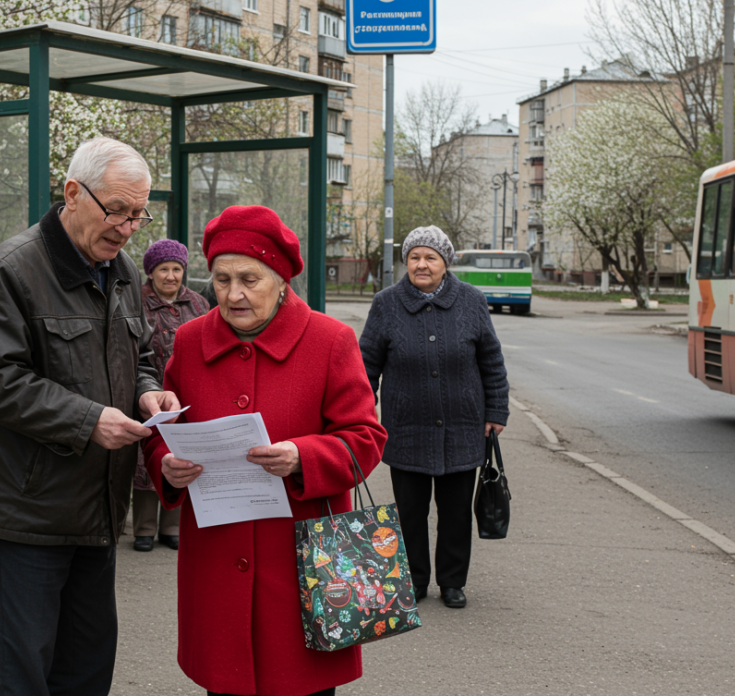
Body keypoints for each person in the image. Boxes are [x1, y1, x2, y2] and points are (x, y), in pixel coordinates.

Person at [0, 136, 179, 696]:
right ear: (73, 193)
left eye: (138, 214)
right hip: (30, 510)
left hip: (99, 506)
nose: (127, 228)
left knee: (87, 666)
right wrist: (89, 420)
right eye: (118, 211)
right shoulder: (11, 269)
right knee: (28, 671)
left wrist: (148, 392)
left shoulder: (122, 268)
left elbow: (141, 355)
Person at [144, 205, 388, 696]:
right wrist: (165, 464)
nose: (233, 294)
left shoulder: (330, 340)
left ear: (280, 281)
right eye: (221, 279)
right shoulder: (190, 341)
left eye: (249, 279)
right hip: (216, 562)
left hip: (305, 569)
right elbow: (164, 431)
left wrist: (303, 457)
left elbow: (365, 437)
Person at [358, 225, 509, 610]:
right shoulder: (386, 304)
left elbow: (491, 359)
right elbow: (366, 364)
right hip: (406, 428)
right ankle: (415, 579)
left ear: (446, 263)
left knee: (456, 512)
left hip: (462, 426)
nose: (421, 264)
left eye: (430, 257)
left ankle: (453, 582)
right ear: (406, 261)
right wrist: (360, 411)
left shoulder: (472, 301)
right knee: (410, 511)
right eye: (414, 257)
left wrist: (496, 410)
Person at [131, 239, 210, 553]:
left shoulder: (198, 303)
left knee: (181, 455)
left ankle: (172, 527)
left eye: (176, 269)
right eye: (163, 269)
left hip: (185, 391)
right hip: (146, 389)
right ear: (151, 272)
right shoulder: (136, 301)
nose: (171, 276)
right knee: (145, 457)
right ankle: (144, 529)